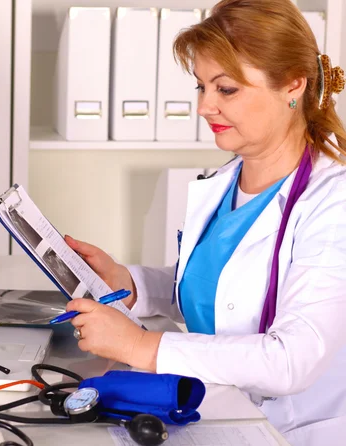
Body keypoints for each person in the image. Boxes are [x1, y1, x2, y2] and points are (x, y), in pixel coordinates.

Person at [63, 1, 346, 445]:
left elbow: (293, 359)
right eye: (200, 87)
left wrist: (140, 346)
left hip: (291, 431)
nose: (204, 107)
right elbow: (225, 298)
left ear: (293, 84)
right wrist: (131, 283)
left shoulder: (334, 200)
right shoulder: (227, 180)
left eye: (226, 89)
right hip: (217, 410)